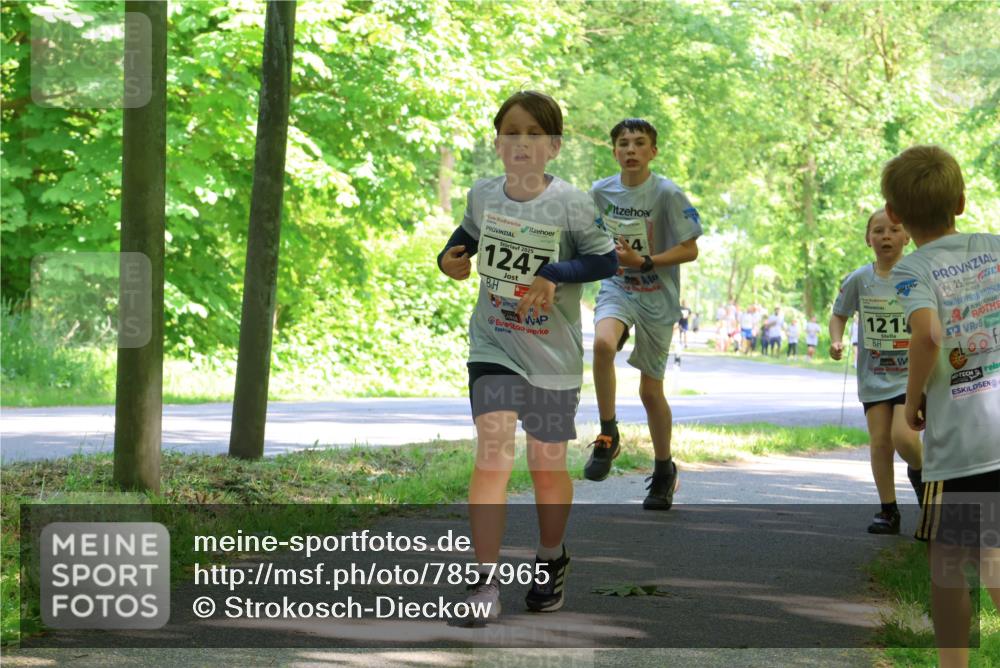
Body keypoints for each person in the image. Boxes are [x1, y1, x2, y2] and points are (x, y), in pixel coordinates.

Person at [437, 91, 617, 622]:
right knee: (493, 451)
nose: (521, 143)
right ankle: (484, 582)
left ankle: (550, 557)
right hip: (493, 343)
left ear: (553, 146)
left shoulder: (572, 203)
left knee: (545, 465)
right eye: (511, 133)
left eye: (534, 134)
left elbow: (605, 261)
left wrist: (554, 273)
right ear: (497, 143)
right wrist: (447, 259)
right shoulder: (483, 194)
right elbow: (465, 240)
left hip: (551, 355)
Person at [885, 145, 999, 666]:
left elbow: (928, 335)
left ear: (895, 214)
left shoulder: (913, 269)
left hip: (961, 444)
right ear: (960, 201)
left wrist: (912, 402)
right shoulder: (993, 247)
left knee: (951, 563)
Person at [584, 118, 701, 511]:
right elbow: (587, 237)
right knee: (602, 345)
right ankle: (608, 434)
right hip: (617, 286)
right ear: (614, 151)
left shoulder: (667, 193)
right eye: (623, 143)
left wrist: (646, 261)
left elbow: (690, 249)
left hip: (657, 295)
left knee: (650, 392)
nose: (630, 150)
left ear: (653, 151)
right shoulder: (600, 192)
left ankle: (664, 469)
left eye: (639, 143)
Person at [829, 207, 924, 534]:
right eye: (879, 231)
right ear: (868, 238)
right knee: (880, 442)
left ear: (907, 237)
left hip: (911, 375)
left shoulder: (918, 276)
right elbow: (839, 314)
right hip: (873, 376)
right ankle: (888, 510)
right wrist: (836, 340)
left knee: (904, 438)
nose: (886, 236)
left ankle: (921, 470)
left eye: (894, 230)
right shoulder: (860, 279)